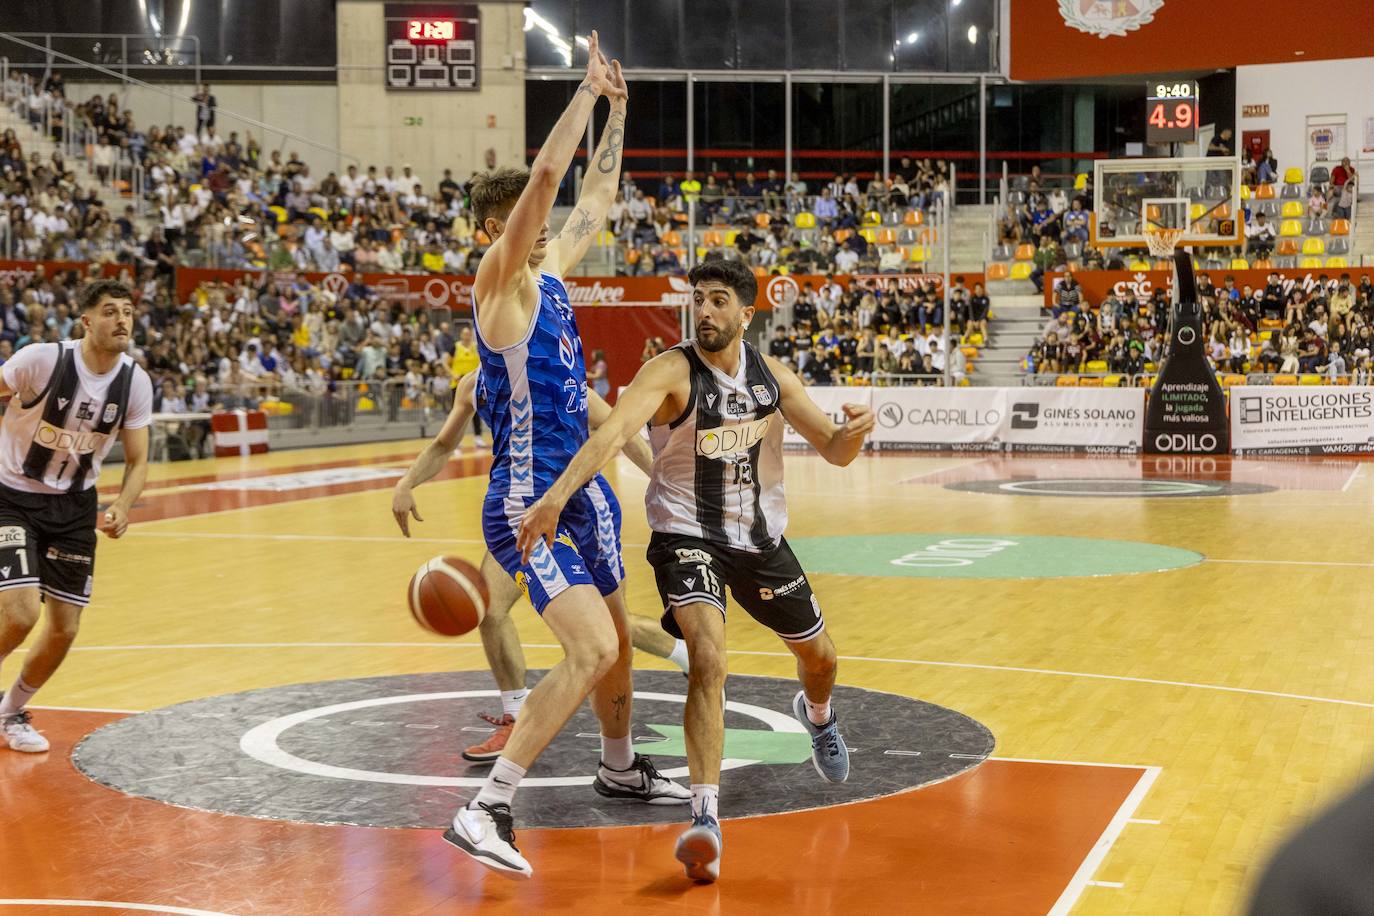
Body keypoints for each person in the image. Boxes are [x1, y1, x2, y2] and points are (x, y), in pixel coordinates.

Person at [518, 258, 875, 883]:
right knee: (708, 659)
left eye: (717, 301)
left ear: (746, 314)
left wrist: (857, 431)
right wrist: (555, 495)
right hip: (687, 537)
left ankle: (817, 716)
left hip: (760, 541)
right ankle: (705, 817)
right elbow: (609, 437)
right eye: (698, 300)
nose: (704, 312)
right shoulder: (669, 371)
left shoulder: (773, 378)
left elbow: (836, 453)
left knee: (822, 659)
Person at [442, 33, 688, 880]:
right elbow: (550, 183)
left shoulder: (552, 275)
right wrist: (582, 95)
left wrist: (619, 111)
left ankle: (619, 769)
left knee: (616, 641)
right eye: (528, 222)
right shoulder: (498, 280)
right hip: (526, 502)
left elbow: (595, 195)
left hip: (583, 493)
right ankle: (488, 808)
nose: (546, 228)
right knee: (587, 652)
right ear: (495, 230)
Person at [391, 372, 691, 762]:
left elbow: (618, 430)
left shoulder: (555, 374)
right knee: (490, 610)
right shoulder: (473, 385)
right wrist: (407, 483)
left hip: (577, 511)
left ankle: (685, 656)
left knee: (607, 629)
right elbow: (444, 443)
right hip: (522, 515)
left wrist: (661, 481)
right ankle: (516, 716)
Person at [0, 280, 153, 751]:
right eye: (110, 311)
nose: (122, 320)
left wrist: (123, 506)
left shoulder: (135, 382)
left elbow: (137, 459)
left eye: (127, 311)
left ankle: (9, 714)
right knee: (22, 614)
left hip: (74, 507)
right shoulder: (41, 360)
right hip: (13, 495)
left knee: (64, 629)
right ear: (86, 321)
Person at [448, 325, 484, 445]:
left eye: (468, 334)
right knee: (457, 413)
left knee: (476, 411)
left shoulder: (476, 347)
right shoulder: (455, 347)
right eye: (465, 334)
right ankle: (456, 439)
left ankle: (478, 436)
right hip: (458, 384)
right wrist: (453, 374)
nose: (467, 336)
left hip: (473, 384)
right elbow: (445, 363)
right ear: (461, 335)